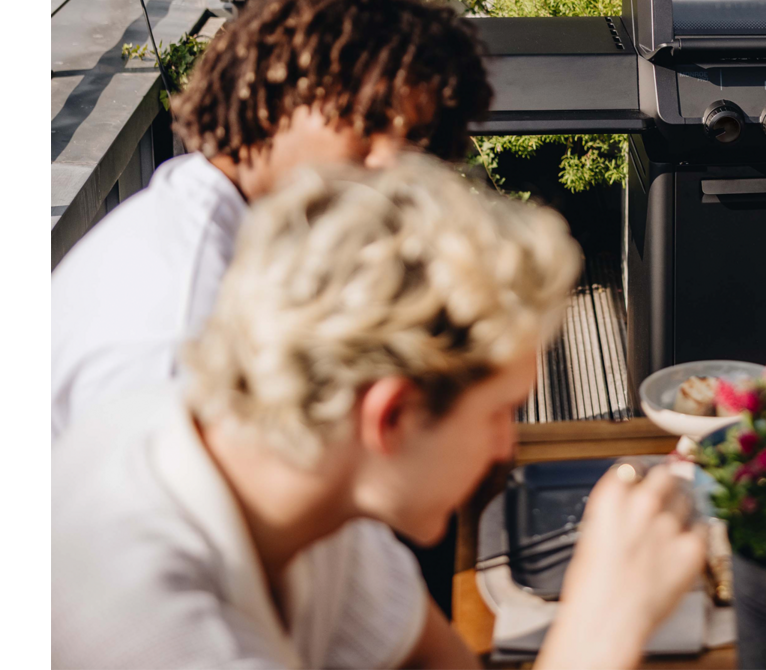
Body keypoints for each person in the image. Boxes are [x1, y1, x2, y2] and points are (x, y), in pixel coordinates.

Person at [53, 155, 707, 669]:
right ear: (389, 418)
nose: (506, 449)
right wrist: (603, 623)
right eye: (499, 413)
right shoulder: (158, 629)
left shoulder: (314, 491)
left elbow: (433, 659)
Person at [51, 0, 493, 440]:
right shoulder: (188, 313)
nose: (390, 161)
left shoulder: (222, 229)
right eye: (369, 121)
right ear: (278, 95)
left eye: (413, 143)